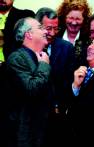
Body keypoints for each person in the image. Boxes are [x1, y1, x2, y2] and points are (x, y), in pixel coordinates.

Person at [5, 17, 50, 147]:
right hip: (24, 133)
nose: (45, 31)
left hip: (40, 130)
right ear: (28, 34)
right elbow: (32, 89)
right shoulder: (17, 58)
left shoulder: (42, 56)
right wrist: (44, 66)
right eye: (40, 28)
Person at [35, 7, 75, 147]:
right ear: (37, 26)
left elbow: (68, 80)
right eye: (48, 28)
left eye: (56, 29)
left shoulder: (66, 48)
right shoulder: (27, 47)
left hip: (57, 114)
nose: (52, 33)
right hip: (33, 113)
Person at [57, 0, 92, 65]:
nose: (74, 22)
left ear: (84, 20)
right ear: (64, 17)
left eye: (78, 19)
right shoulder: (56, 35)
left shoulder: (89, 39)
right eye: (71, 18)